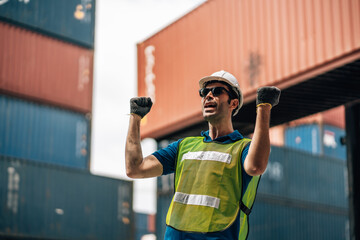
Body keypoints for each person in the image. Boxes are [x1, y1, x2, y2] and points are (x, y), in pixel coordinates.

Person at [125, 70, 281, 240]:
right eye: (204, 92)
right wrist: (135, 117)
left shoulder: (243, 148)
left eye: (217, 91)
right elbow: (135, 169)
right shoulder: (183, 147)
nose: (208, 96)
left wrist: (264, 108)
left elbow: (256, 166)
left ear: (233, 103)